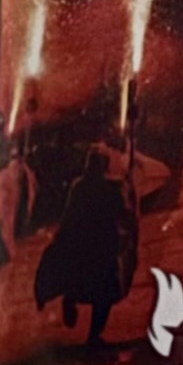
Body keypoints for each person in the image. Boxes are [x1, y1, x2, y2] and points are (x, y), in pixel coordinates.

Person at [34, 145, 138, 347]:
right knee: (102, 294)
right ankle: (91, 333)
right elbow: (122, 214)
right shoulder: (110, 189)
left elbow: (69, 216)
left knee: (84, 284)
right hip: (100, 248)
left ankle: (73, 304)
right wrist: (128, 192)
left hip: (85, 245)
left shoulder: (79, 186)